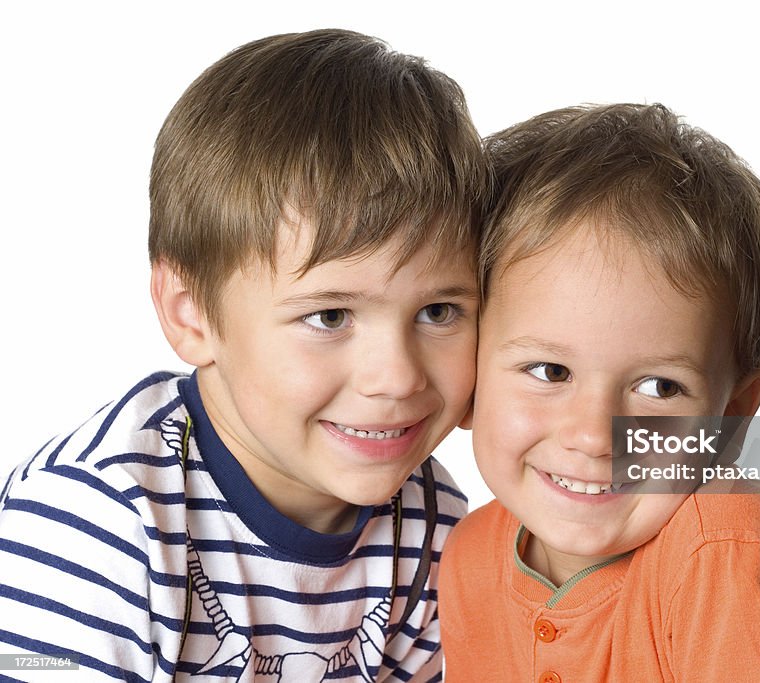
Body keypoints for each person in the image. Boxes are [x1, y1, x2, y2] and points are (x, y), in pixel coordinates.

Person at [0, 29, 487, 682]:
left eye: (438, 312)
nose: (396, 375)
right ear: (190, 314)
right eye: (329, 315)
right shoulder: (90, 522)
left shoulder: (433, 526)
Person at [439, 103, 760, 681]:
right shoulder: (468, 559)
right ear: (468, 377)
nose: (593, 436)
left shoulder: (726, 553)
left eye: (660, 387)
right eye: (550, 372)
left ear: (731, 415)